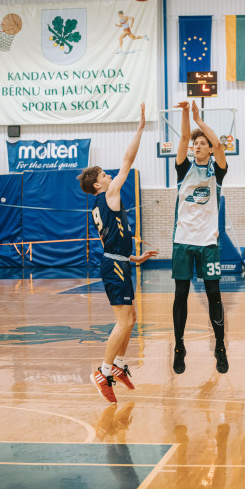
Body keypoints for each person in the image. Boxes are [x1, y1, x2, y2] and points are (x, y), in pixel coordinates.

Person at [78, 103, 157, 404]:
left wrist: (132, 257)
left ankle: (119, 365)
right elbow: (128, 159)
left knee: (131, 318)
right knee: (123, 322)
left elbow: (111, 239)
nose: (109, 174)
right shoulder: (108, 194)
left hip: (119, 262)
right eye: (103, 173)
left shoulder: (101, 204)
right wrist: (140, 128)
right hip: (113, 266)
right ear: (97, 184)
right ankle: (102, 371)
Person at [172, 100, 229, 375]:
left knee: (214, 294)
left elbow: (218, 144)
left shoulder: (217, 171)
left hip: (208, 242)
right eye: (196, 144)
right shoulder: (183, 168)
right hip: (183, 240)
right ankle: (179, 346)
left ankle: (220, 347)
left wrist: (199, 121)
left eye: (202, 143)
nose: (197, 146)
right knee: (180, 295)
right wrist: (186, 114)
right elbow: (184, 137)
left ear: (208, 149)